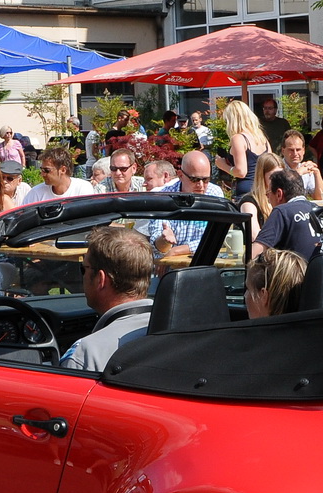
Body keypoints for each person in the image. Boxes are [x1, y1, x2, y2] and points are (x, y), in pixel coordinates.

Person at [60, 226, 155, 372]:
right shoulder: (178, 329)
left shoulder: (86, 355)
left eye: (83, 268)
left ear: (100, 279)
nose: (83, 275)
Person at [147, 150, 225, 258]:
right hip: (169, 267)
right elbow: (158, 247)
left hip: (201, 264)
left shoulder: (214, 194)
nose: (201, 185)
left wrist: (177, 250)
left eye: (206, 180)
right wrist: (164, 241)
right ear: (180, 175)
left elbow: (216, 239)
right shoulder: (164, 196)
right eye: (195, 179)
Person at [252, 168, 322, 261]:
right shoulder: (318, 209)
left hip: (296, 274)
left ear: (279, 194)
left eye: (268, 193)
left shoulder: (282, 211)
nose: (268, 199)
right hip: (322, 272)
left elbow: (253, 254)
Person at [212, 99, 269, 197]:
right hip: (263, 191)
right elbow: (269, 166)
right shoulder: (262, 138)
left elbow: (241, 172)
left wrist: (222, 165)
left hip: (246, 192)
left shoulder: (238, 138)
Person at [245, 247, 308, 319]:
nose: (245, 295)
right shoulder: (309, 327)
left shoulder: (261, 330)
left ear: (263, 296)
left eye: (248, 289)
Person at [238, 153, 286, 242]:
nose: (278, 180)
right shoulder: (249, 203)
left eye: (281, 175)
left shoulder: (285, 199)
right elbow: (254, 236)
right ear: (261, 176)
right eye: (273, 176)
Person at [23, 147, 96, 204]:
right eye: (42, 170)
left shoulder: (82, 189)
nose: (42, 174)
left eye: (47, 170)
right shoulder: (36, 193)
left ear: (63, 170)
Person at [280, 131, 323, 201]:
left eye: (298, 150)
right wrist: (298, 173)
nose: (295, 153)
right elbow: (282, 197)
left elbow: (320, 198)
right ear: (283, 151)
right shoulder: (277, 168)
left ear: (303, 151)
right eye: (291, 150)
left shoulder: (305, 169)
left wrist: (317, 173)